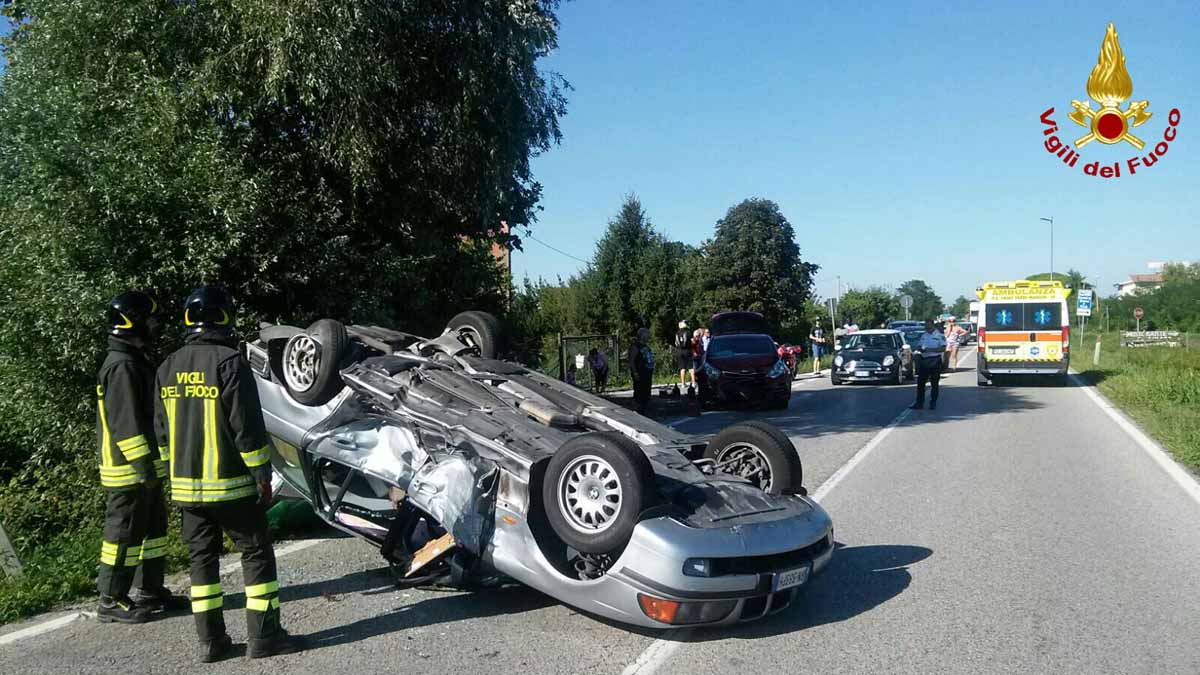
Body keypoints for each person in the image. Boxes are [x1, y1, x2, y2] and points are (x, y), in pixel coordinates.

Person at [156, 287, 305, 662]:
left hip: (187, 492)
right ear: (224, 317)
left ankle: (211, 643)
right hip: (232, 488)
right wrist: (262, 473)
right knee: (256, 554)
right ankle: (264, 636)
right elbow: (247, 426)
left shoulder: (167, 367)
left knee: (201, 563)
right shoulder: (228, 362)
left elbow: (160, 432)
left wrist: (170, 477)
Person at [95, 292, 187, 624]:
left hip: (144, 470)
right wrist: (144, 467)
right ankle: (111, 598)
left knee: (153, 534)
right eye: (149, 320)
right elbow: (127, 424)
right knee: (123, 536)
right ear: (132, 322)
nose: (154, 326)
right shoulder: (121, 366)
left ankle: (151, 589)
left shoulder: (132, 359)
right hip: (129, 471)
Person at [911, 319, 947, 410]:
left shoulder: (939, 335)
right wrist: (920, 349)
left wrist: (929, 350)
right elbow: (919, 345)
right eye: (926, 327)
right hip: (924, 360)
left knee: (934, 383)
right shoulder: (924, 335)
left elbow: (943, 348)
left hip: (935, 360)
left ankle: (933, 402)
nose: (927, 328)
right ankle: (919, 403)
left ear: (933, 326)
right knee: (920, 382)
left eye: (929, 326)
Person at [628, 327, 654, 414]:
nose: (648, 336)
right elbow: (632, 361)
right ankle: (636, 411)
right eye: (647, 335)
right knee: (639, 393)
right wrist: (635, 372)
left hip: (647, 373)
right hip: (639, 373)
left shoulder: (646, 346)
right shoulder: (635, 347)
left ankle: (643, 410)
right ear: (642, 335)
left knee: (646, 393)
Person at [674, 320, 694, 390]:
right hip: (688, 350)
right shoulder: (688, 332)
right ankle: (693, 383)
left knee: (682, 368)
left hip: (679, 351)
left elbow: (676, 343)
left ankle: (683, 384)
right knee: (691, 367)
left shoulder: (677, 333)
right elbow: (692, 341)